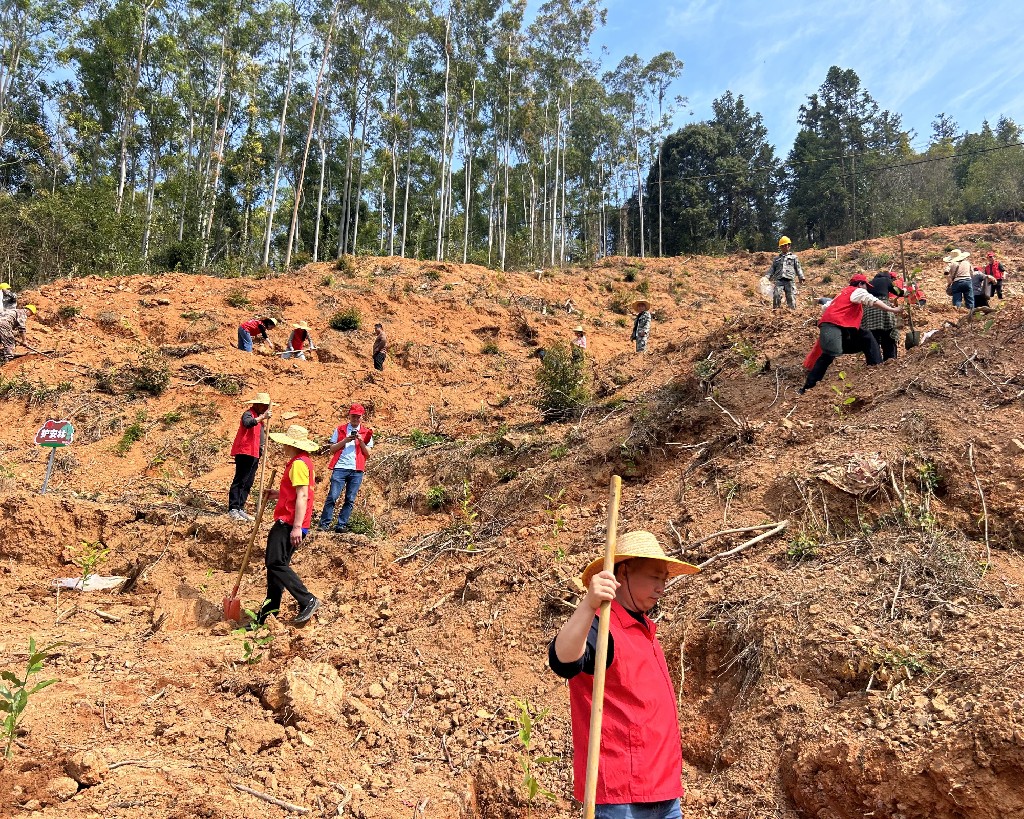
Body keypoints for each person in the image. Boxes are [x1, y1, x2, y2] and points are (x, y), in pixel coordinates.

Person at [548, 531, 699, 817]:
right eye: (654, 577)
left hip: (664, 791)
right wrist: (588, 604)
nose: (661, 588)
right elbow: (563, 660)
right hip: (621, 797)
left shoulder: (644, 630)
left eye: (664, 579)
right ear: (624, 572)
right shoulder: (602, 627)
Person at [800, 274, 905, 394]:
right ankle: (807, 387)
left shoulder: (841, 294)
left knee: (866, 337)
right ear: (860, 284)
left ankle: (876, 368)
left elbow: (826, 307)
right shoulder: (857, 290)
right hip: (835, 326)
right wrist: (892, 309)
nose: (867, 289)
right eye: (866, 286)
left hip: (840, 327)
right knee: (828, 355)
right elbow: (872, 300)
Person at [258, 424, 320, 625]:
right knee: (276, 568)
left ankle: (307, 599)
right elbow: (296, 493)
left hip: (288, 522)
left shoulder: (298, 464)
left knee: (275, 563)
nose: (283, 446)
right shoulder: (303, 462)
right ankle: (268, 615)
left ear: (292, 444)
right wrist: (279, 494)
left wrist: (296, 526)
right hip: (291, 521)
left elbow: (303, 496)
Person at [318, 404, 374, 533]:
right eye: (353, 416)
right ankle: (324, 524)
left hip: (357, 469)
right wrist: (345, 440)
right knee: (333, 496)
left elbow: (368, 454)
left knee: (350, 499)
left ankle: (341, 525)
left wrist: (361, 441)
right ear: (349, 415)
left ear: (362, 417)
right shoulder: (340, 430)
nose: (355, 419)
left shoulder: (367, 433)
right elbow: (332, 449)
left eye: (358, 416)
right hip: (340, 467)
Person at [228, 393, 272, 521]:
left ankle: (240, 507)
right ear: (257, 404)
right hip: (245, 452)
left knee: (248, 481)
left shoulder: (259, 419)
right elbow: (247, 423)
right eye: (263, 406)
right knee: (240, 480)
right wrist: (262, 417)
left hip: (255, 453)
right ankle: (233, 508)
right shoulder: (248, 414)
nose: (265, 408)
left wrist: (262, 448)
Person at [862, 269, 904, 362]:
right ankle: (890, 360)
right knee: (888, 336)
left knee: (873, 339)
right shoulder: (886, 280)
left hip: (868, 312)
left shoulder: (869, 283)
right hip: (883, 309)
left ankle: (874, 362)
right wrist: (905, 290)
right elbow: (898, 292)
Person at [767, 236, 805, 310]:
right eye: (782, 246)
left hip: (789, 280)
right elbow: (772, 269)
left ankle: (792, 311)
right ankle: (776, 311)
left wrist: (801, 277)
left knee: (791, 296)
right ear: (780, 247)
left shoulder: (794, 257)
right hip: (779, 280)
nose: (784, 247)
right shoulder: (776, 259)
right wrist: (767, 276)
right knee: (776, 295)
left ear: (789, 246)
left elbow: (798, 268)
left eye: (786, 245)